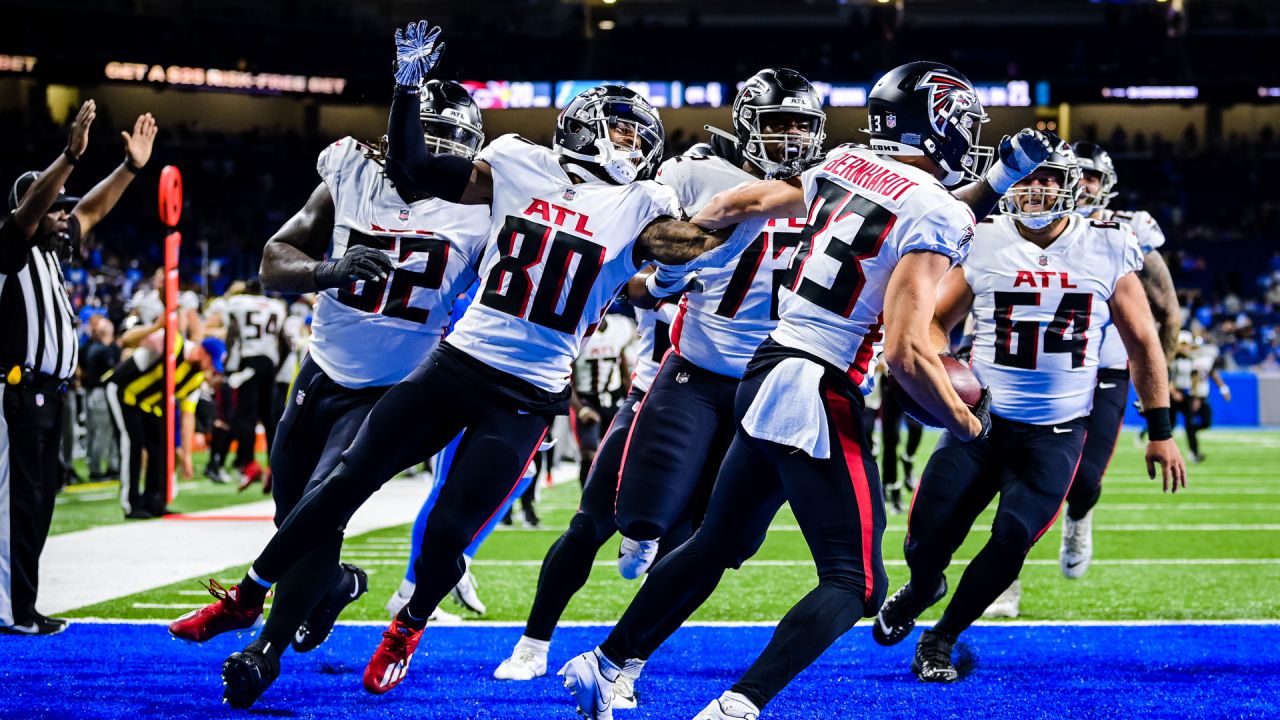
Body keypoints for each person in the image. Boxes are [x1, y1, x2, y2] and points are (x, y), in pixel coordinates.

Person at [167, 19, 750, 707]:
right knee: (343, 483)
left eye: (637, 135)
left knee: (447, 534)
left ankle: (407, 626)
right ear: (585, 124)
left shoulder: (641, 203)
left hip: (527, 396)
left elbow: (695, 244)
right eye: (621, 129)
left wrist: (765, 195)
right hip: (459, 363)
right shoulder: (517, 162)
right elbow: (415, 167)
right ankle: (248, 596)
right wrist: (407, 86)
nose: (632, 143)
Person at [558, 61, 1051, 720]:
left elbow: (740, 204)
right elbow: (906, 352)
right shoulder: (936, 210)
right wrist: (966, 421)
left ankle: (604, 662)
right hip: (821, 382)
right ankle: (738, 705)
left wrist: (679, 258)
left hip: (768, 365)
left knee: (717, 543)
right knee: (858, 583)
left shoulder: (843, 164)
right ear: (938, 125)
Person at [495, 69, 826, 700]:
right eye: (775, 122)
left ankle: (625, 662)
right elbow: (624, 247)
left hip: (766, 386)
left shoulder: (832, 189)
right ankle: (533, 640)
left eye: (799, 125)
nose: (787, 138)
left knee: (703, 540)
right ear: (746, 123)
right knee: (602, 518)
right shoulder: (693, 172)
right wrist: (653, 285)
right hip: (677, 373)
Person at [169, 78, 492, 701]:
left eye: (451, 146)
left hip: (393, 388)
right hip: (320, 370)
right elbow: (272, 259)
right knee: (295, 515)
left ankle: (264, 650)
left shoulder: (481, 213)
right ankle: (336, 584)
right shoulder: (350, 172)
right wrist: (328, 270)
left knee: (323, 505)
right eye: (428, 139)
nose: (435, 157)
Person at [873, 137, 1186, 683]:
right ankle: (924, 586)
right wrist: (941, 372)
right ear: (1009, 182)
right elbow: (937, 322)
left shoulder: (1107, 244)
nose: (1037, 187)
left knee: (1012, 538)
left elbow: (1142, 343)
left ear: (1069, 185)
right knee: (924, 536)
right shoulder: (985, 238)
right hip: (981, 423)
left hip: (1057, 432)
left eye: (1049, 178)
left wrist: (1160, 429)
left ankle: (942, 636)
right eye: (1027, 177)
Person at [0, 102, 156, 635]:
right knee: (16, 505)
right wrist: (69, 155)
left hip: (51, 396)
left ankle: (24, 605)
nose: (64, 215)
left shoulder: (52, 250)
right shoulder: (11, 247)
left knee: (39, 503)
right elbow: (29, 213)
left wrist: (130, 168)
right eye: (53, 208)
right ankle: (11, 611)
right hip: (16, 395)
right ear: (30, 208)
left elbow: (90, 210)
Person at [1049, 141, 1181, 582]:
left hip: (1105, 369)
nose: (1084, 184)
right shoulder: (1035, 222)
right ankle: (1006, 574)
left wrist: (1157, 388)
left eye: (1093, 176)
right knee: (1025, 478)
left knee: (1085, 479)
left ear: (1107, 186)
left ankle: (1078, 520)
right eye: (1078, 174)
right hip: (1043, 367)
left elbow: (1166, 310)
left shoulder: (1128, 229)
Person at [223, 278, 287, 491]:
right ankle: (274, 467)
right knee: (270, 419)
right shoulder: (276, 307)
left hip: (248, 361)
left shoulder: (238, 304)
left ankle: (249, 463)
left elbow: (232, 336)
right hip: (269, 363)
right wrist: (275, 368)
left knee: (245, 415)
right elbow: (285, 343)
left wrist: (229, 367)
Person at [569, 311, 634, 488]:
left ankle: (610, 502)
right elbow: (566, 380)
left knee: (618, 452)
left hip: (613, 399)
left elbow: (624, 374)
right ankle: (585, 503)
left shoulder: (620, 328)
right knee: (589, 452)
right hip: (587, 400)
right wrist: (580, 409)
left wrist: (633, 403)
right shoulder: (579, 331)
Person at [80, 316, 121, 481]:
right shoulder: (104, 350)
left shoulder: (93, 348)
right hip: (101, 393)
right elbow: (113, 371)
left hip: (94, 393)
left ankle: (106, 466)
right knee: (103, 433)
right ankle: (96, 470)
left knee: (99, 432)